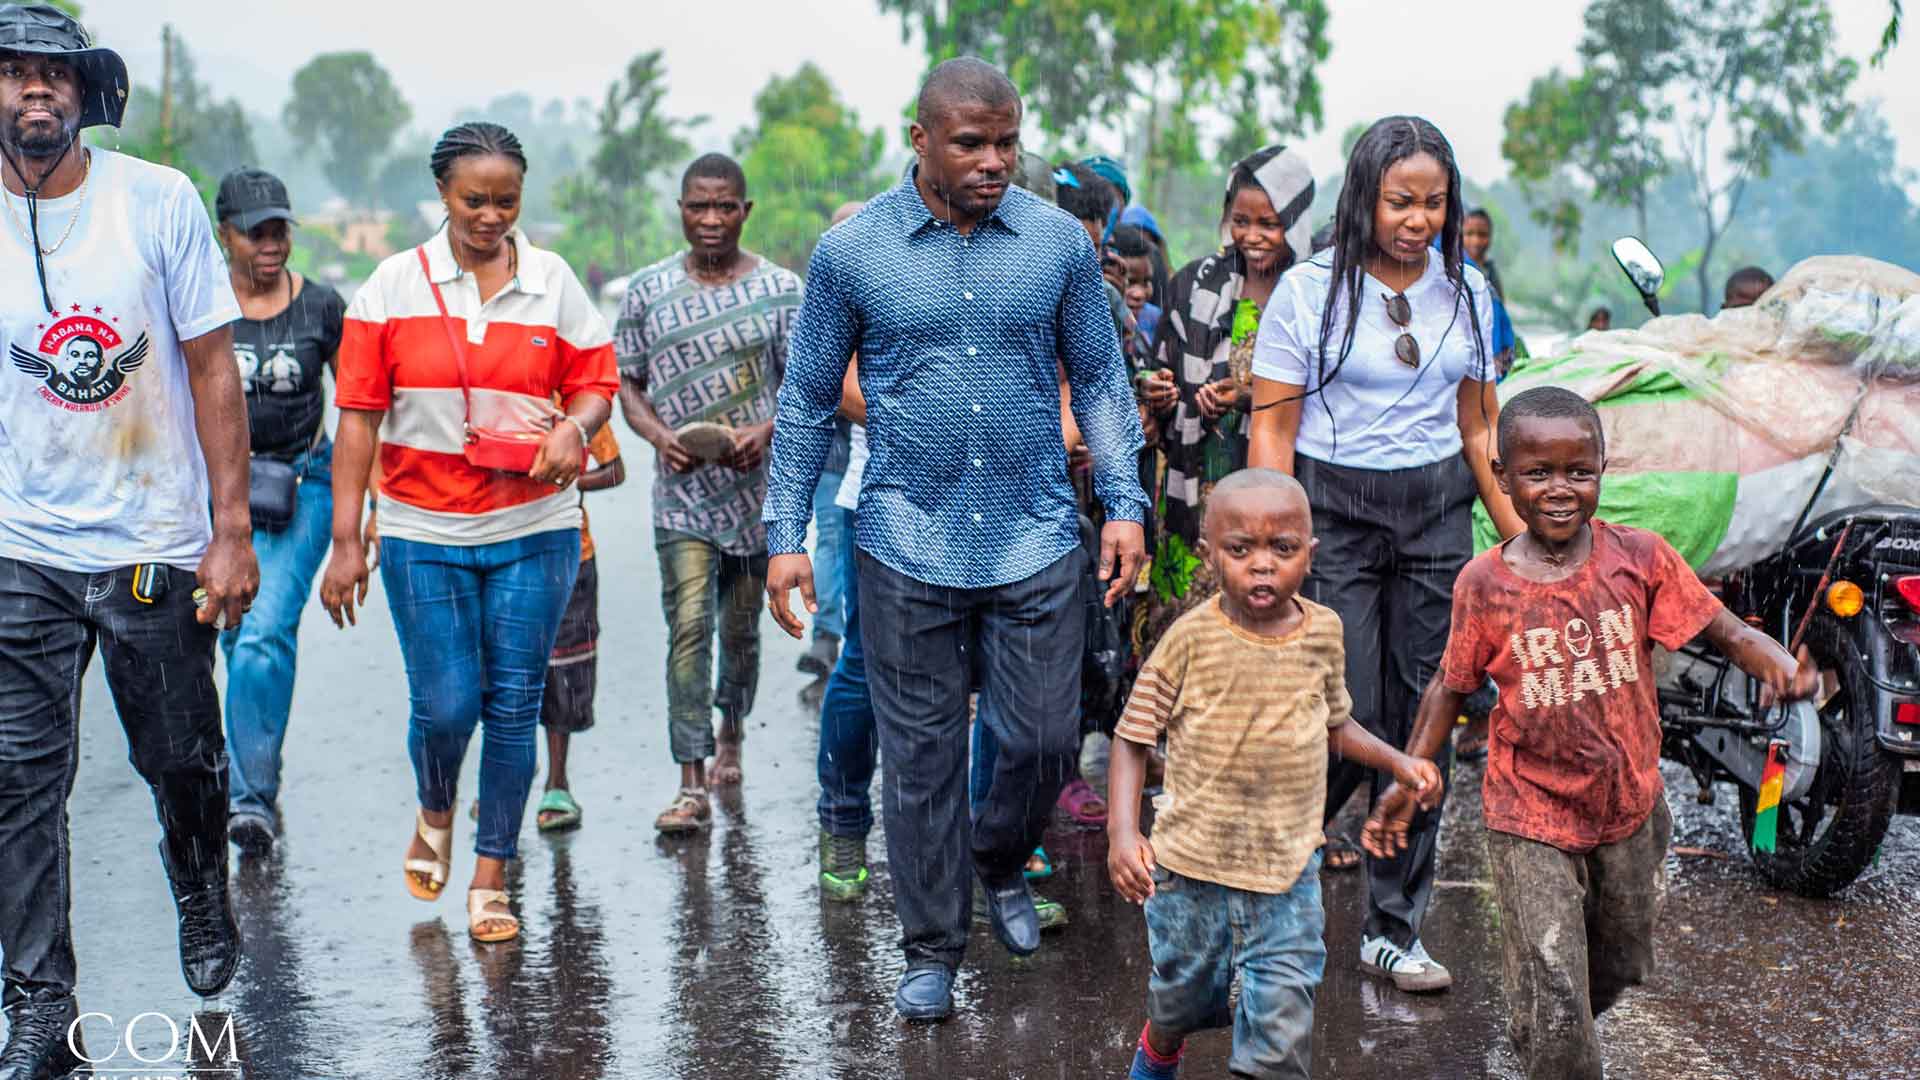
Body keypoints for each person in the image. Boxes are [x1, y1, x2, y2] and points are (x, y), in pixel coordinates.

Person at [764, 57, 1147, 1022]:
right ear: (920, 139)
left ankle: (998, 859)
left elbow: (1100, 381)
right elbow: (808, 402)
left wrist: (1128, 504)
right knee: (923, 755)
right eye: (971, 143)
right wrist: (786, 535)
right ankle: (931, 946)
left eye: (1007, 143)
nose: (993, 161)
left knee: (1045, 738)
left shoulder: (1058, 244)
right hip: (904, 537)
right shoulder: (853, 255)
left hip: (1035, 534)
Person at [1363, 387, 1815, 1080]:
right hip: (1529, 813)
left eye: (1580, 471)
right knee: (1559, 989)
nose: (1560, 490)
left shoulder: (1639, 557)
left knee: (1621, 961)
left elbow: (1723, 628)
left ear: (1604, 467)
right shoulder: (1483, 585)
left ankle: (1545, 1025)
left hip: (1628, 806)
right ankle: (1555, 1038)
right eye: (1538, 473)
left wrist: (1776, 659)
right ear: (1503, 475)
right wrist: (1412, 773)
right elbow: (1449, 686)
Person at [0, 7, 253, 1071]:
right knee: (18, 781)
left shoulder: (156, 199)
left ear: (85, 92)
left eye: (53, 73)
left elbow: (208, 366)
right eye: (11, 74)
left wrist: (230, 529)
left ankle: (199, 884)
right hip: (21, 546)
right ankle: (39, 1009)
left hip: (153, 534)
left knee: (180, 761)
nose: (34, 92)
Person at [1246, 115, 1525, 993]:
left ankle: (1394, 927)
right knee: (1345, 707)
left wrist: (1523, 544)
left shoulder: (1467, 290)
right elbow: (1273, 428)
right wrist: (1268, 545)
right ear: (1363, 197)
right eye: (1400, 200)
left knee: (1428, 714)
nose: (1417, 219)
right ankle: (1263, 869)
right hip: (1335, 513)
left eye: (1433, 203)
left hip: (1437, 512)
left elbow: (1479, 425)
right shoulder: (1308, 290)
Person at [320, 121, 617, 944]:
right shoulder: (388, 288)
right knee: (447, 704)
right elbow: (356, 422)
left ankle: (491, 875)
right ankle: (436, 806)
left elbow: (596, 380)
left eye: (507, 201)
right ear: (443, 196)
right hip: (420, 529)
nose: (492, 217)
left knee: (514, 706)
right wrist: (348, 541)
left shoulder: (554, 281)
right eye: (474, 200)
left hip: (535, 526)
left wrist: (578, 428)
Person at [1108, 469, 1441, 1080]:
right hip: (1191, 868)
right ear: (1210, 556)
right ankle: (1160, 1047)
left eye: (1282, 550)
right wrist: (1123, 835)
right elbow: (1132, 737)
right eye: (1241, 550)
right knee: (1183, 999)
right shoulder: (1190, 639)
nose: (1263, 566)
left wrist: (1399, 760)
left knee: (1279, 1029)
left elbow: (1337, 724)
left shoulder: (1324, 633)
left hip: (1289, 870)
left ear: (1309, 556)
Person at [614, 152, 802, 833]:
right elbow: (626, 383)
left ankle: (732, 730)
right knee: (688, 626)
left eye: (726, 207)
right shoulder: (646, 291)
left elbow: (809, 388)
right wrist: (659, 435)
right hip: (681, 498)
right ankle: (689, 778)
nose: (713, 219)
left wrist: (764, 427)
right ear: (682, 210)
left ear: (745, 211)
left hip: (756, 498)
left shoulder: (782, 291)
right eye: (700, 206)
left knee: (741, 632)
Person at [214, 166, 351, 856]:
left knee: (265, 628)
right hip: (218, 495)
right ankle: (255, 761)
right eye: (255, 232)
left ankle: (249, 801)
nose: (270, 244)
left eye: (279, 231)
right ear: (225, 234)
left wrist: (363, 513)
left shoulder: (322, 307)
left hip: (304, 485)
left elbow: (360, 409)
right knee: (234, 636)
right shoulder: (202, 302)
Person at [1142, 145, 1313, 653]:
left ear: (1297, 222)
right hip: (1193, 488)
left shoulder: (1311, 293)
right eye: (1241, 220)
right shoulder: (1196, 282)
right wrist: (1158, 389)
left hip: (1275, 477)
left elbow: (1326, 390)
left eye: (1270, 223)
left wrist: (1249, 396)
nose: (1252, 236)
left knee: (1260, 629)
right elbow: (1158, 359)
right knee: (1183, 633)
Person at [536, 417, 624, 832]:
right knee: (500, 670)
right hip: (496, 543)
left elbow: (614, 468)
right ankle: (504, 774)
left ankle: (557, 780)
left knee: (564, 671)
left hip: (570, 549)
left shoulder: (574, 406)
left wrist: (567, 478)